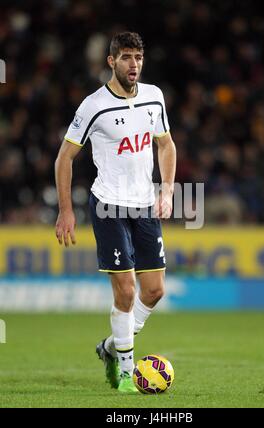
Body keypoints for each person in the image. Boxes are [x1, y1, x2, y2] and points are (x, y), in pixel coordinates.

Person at [55, 32, 176, 393]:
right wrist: (66, 210)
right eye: (126, 57)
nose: (134, 64)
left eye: (138, 57)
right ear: (111, 61)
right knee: (125, 291)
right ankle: (125, 372)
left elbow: (166, 145)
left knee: (153, 292)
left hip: (144, 205)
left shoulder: (154, 97)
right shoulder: (94, 105)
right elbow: (64, 158)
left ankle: (110, 347)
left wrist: (167, 189)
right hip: (108, 205)